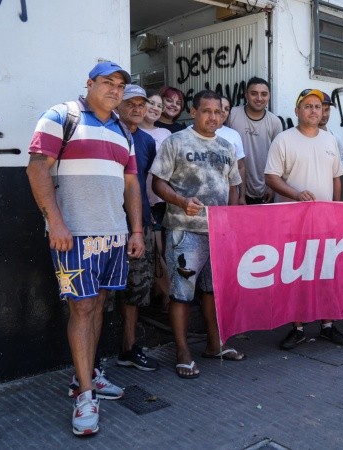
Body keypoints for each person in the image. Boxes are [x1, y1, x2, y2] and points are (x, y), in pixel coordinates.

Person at [26, 61, 145, 436]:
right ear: (89, 83)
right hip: (74, 235)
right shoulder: (62, 115)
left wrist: (136, 230)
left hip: (113, 235)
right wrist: (56, 222)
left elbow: (131, 185)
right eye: (107, 82)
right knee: (81, 308)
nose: (114, 90)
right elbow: (36, 169)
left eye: (120, 85)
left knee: (97, 306)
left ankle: (88, 375)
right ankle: (84, 394)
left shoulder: (123, 130)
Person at [150, 89, 245, 380]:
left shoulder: (227, 146)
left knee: (213, 292)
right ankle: (183, 353)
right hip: (184, 232)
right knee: (181, 295)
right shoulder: (175, 142)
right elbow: (157, 184)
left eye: (218, 112)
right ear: (194, 111)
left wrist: (229, 221)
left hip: (217, 233)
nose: (213, 117)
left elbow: (233, 186)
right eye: (207, 111)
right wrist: (181, 201)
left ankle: (215, 345)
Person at [264, 88, 343, 350]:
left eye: (318, 106)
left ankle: (327, 325)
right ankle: (297, 328)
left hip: (325, 220)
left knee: (326, 272)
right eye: (308, 106)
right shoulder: (283, 139)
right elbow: (271, 177)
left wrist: (334, 209)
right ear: (298, 111)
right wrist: (296, 194)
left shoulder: (330, 140)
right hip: (292, 221)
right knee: (296, 273)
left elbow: (337, 177)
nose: (314, 110)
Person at [113, 85, 159, 371]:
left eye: (142, 104)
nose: (138, 108)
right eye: (131, 102)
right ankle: (91, 361)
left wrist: (146, 224)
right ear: (118, 103)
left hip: (139, 225)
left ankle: (128, 349)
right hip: (106, 223)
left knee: (137, 290)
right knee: (101, 295)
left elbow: (147, 184)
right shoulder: (106, 133)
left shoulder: (146, 141)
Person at [139, 89, 172, 310]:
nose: (155, 108)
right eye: (151, 103)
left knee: (160, 251)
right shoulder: (130, 131)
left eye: (159, 105)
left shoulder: (166, 135)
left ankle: (166, 297)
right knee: (147, 250)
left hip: (161, 200)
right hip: (139, 200)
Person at [227, 77, 283, 205]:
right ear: (246, 94)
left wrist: (272, 187)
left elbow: (279, 158)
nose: (259, 98)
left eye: (264, 94)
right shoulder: (232, 114)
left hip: (265, 189)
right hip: (237, 188)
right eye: (254, 93)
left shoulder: (275, 122)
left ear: (269, 96)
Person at [215, 95, 246, 187]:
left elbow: (241, 167)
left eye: (227, 109)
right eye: (220, 107)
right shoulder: (191, 131)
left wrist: (242, 196)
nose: (223, 111)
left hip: (229, 193)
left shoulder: (233, 134)